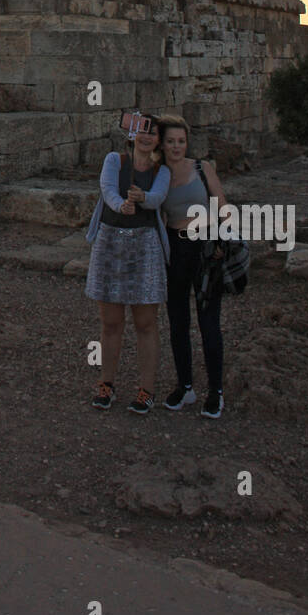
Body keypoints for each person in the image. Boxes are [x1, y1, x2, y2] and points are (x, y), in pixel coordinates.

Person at [84, 118, 171, 414]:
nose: (146, 137)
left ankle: (146, 389)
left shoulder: (162, 171)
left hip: (145, 245)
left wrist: (142, 198)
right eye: (141, 131)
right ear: (132, 134)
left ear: (158, 140)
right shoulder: (115, 160)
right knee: (110, 322)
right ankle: (106, 383)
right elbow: (107, 189)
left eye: (152, 133)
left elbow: (158, 197)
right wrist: (122, 204)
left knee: (145, 322)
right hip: (111, 240)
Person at [156, 114, 227, 419]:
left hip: (206, 244)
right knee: (177, 320)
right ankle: (185, 385)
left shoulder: (202, 167)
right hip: (175, 247)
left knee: (208, 320)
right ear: (162, 143)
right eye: (171, 141)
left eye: (181, 141)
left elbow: (221, 202)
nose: (176, 146)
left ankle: (216, 391)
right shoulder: (157, 175)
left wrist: (224, 238)